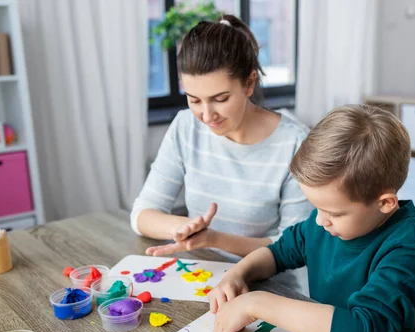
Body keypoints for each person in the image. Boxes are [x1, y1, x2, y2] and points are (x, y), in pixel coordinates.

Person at [208, 105, 415, 332]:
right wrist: (237, 274)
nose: (319, 221)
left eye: (334, 213)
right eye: (316, 208)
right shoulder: (327, 225)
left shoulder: (409, 248)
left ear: (384, 204)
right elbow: (277, 253)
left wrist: (256, 304)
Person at [131, 15, 313, 278]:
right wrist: (185, 227)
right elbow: (142, 214)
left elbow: (293, 248)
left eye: (220, 99)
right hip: (199, 275)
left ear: (249, 83)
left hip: (268, 284)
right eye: (194, 100)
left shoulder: (294, 143)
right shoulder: (185, 127)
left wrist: (213, 239)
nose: (207, 115)